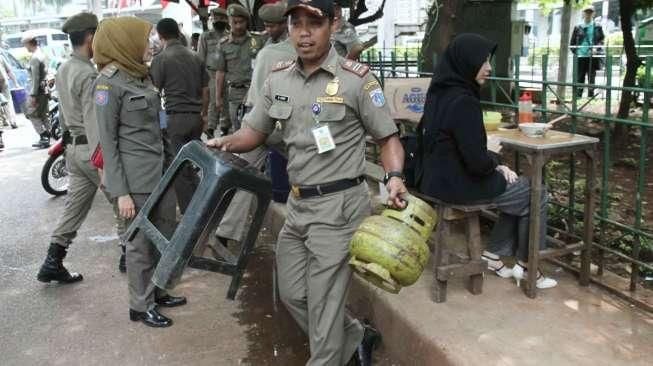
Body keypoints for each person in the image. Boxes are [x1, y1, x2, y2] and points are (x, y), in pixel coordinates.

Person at [208, 1, 407, 364]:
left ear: (333, 24)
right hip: (298, 205)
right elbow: (254, 131)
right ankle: (356, 337)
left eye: (313, 24)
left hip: (340, 207)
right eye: (296, 24)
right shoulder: (278, 77)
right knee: (294, 295)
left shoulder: (356, 80)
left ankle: (333, 351)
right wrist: (224, 141)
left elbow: (388, 138)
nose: (303, 33)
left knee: (323, 311)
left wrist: (394, 177)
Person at [416, 33, 557, 290]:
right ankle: (528, 267)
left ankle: (493, 255)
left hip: (434, 180)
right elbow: (477, 163)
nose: (489, 67)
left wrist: (492, 163)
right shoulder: (464, 101)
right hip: (458, 186)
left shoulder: (439, 91)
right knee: (535, 192)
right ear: (467, 62)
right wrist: (496, 163)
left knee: (518, 187)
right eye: (483, 61)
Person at [93, 16, 187, 328]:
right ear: (126, 42)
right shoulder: (108, 84)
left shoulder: (140, 76)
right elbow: (108, 144)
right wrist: (121, 192)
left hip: (159, 172)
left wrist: (173, 164)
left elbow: (156, 128)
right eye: (146, 39)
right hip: (135, 183)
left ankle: (157, 292)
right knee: (140, 245)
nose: (152, 44)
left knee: (164, 236)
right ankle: (140, 305)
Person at [35, 12, 128, 284]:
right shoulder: (90, 76)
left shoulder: (64, 68)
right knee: (122, 202)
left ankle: (53, 260)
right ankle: (129, 255)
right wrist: (104, 163)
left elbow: (63, 115)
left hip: (73, 151)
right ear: (90, 38)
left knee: (74, 208)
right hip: (92, 151)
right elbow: (95, 122)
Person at [214, 6, 295, 247]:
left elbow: (257, 95)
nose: (269, 29)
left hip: (260, 123)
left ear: (285, 24)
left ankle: (225, 232)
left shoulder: (267, 51)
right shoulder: (314, 52)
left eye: (273, 25)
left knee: (244, 176)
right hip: (292, 127)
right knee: (309, 175)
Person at [150, 18, 209, 214]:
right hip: (196, 119)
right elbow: (206, 89)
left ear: (160, 35)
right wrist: (204, 114)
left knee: (180, 170)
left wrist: (162, 123)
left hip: (175, 119)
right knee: (193, 164)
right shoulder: (195, 57)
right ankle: (203, 205)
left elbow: (154, 95)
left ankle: (190, 214)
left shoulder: (161, 59)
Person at [215, 3, 263, 134]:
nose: (238, 26)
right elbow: (220, 72)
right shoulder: (223, 45)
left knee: (258, 130)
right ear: (229, 22)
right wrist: (218, 97)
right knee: (238, 130)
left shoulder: (258, 40)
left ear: (247, 21)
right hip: (236, 93)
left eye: (241, 22)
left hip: (256, 91)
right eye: (234, 22)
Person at [197, 7, 229, 138]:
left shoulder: (229, 36)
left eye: (221, 18)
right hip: (210, 73)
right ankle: (210, 127)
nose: (218, 20)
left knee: (226, 99)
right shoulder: (205, 36)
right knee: (212, 100)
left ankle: (225, 126)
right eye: (216, 18)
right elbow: (200, 57)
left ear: (226, 20)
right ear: (212, 19)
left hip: (227, 73)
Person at [22, 32, 51, 149]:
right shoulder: (42, 54)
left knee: (32, 113)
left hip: (37, 91)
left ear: (30, 43)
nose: (25, 47)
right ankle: (48, 135)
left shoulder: (35, 58)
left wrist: (33, 95)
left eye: (25, 45)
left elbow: (35, 78)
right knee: (44, 114)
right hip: (44, 89)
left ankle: (43, 135)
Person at [570, 5, 605, 98]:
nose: (588, 14)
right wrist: (576, 52)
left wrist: (596, 48)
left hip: (592, 56)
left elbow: (601, 40)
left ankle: (590, 97)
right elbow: (572, 43)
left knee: (591, 78)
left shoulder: (597, 26)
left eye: (590, 12)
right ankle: (578, 97)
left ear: (593, 14)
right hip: (581, 56)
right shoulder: (578, 27)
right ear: (583, 13)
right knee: (579, 77)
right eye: (586, 12)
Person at [0, 56, 18, 129]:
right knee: (8, 102)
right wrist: (15, 83)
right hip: (3, 82)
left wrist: (15, 82)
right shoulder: (0, 57)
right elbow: (9, 71)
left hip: (3, 83)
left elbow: (8, 71)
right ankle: (12, 121)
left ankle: (7, 120)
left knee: (7, 102)